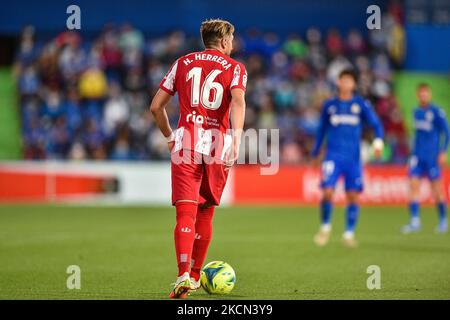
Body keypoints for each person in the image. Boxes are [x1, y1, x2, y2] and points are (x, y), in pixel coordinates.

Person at [149, 19, 247, 298]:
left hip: (186, 143)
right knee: (206, 211)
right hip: (217, 145)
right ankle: (194, 276)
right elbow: (238, 102)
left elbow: (156, 106)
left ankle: (181, 274)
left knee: (185, 211)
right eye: (233, 39)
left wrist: (170, 137)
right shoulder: (236, 68)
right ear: (225, 41)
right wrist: (236, 140)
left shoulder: (182, 63)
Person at [311, 69, 384, 248]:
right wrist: (315, 152)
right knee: (328, 191)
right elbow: (321, 130)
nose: (345, 84)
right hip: (332, 156)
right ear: (338, 82)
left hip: (353, 158)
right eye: (343, 80)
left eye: (349, 81)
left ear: (354, 84)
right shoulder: (330, 105)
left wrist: (378, 143)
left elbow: (376, 125)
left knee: (352, 195)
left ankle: (349, 233)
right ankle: (325, 227)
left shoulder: (361, 105)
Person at [402, 83, 449, 234]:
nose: (423, 96)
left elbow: (447, 133)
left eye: (425, 93)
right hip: (417, 156)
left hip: (432, 157)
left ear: (429, 95)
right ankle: (415, 221)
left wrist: (443, 151)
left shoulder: (436, 112)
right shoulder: (416, 112)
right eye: (421, 94)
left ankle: (443, 220)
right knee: (413, 186)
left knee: (437, 190)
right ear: (417, 95)